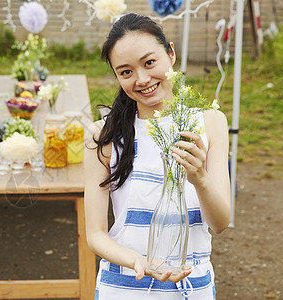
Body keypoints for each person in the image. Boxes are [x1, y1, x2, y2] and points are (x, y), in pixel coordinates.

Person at [84, 13, 231, 299]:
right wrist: (138, 261)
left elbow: (220, 223)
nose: (142, 79)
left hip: (192, 287)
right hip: (125, 286)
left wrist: (199, 177)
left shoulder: (210, 122)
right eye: (126, 72)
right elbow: (96, 235)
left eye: (149, 62)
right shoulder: (103, 136)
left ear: (171, 54)